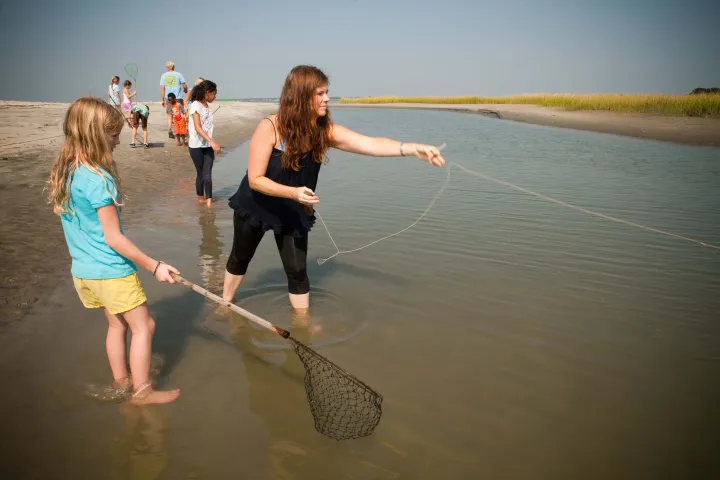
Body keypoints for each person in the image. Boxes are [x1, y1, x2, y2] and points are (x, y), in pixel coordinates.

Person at [222, 65, 445, 313]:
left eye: (327, 92)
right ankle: (225, 304)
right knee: (240, 258)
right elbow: (255, 179)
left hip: (293, 210)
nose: (327, 99)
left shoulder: (324, 132)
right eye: (320, 93)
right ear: (299, 96)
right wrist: (293, 192)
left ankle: (302, 327)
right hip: (256, 203)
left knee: (297, 272)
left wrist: (413, 148)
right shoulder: (271, 127)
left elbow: (370, 144)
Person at [46, 97, 180, 405]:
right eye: (114, 133)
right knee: (145, 326)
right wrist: (154, 265)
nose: (119, 139)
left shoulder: (68, 172)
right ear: (95, 134)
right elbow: (114, 238)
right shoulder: (99, 180)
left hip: (84, 271)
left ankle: (122, 380)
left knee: (116, 324)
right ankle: (142, 392)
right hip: (111, 270)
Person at [188, 80, 221, 207]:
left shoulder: (206, 106)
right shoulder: (196, 105)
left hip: (207, 146)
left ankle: (209, 204)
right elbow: (197, 127)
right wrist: (212, 141)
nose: (215, 96)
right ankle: (201, 198)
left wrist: (210, 143)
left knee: (207, 174)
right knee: (200, 173)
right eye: (214, 93)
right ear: (207, 93)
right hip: (196, 146)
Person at [159, 61, 188, 139]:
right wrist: (185, 90)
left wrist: (162, 99)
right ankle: (182, 131)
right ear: (174, 66)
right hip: (178, 98)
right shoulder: (178, 74)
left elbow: (162, 89)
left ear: (166, 67)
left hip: (168, 98)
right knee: (181, 114)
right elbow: (184, 85)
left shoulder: (163, 76)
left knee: (169, 115)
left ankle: (170, 130)